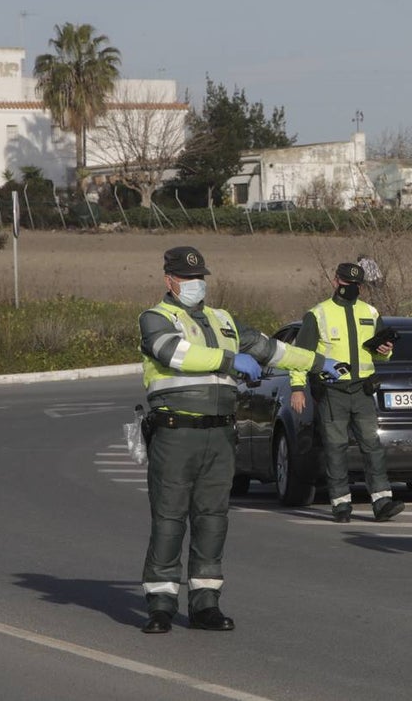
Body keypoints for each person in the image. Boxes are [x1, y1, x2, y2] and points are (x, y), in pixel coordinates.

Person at [139, 246, 340, 635]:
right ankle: (161, 604)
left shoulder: (224, 320)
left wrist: (319, 363)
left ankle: (205, 604)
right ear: (170, 281)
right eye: (187, 279)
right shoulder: (157, 318)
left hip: (219, 433)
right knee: (169, 519)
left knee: (213, 519)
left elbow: (271, 349)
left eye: (200, 278)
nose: (196, 285)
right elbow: (171, 352)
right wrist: (229, 362)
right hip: (176, 432)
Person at [289, 262, 404, 524]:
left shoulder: (371, 312)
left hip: (363, 390)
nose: (349, 288)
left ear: (361, 287)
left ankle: (382, 500)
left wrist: (386, 351)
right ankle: (341, 503)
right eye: (345, 282)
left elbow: (381, 353)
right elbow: (301, 356)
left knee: (372, 446)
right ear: (335, 281)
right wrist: (297, 387)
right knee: (336, 448)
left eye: (355, 285)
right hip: (332, 391)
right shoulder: (317, 314)